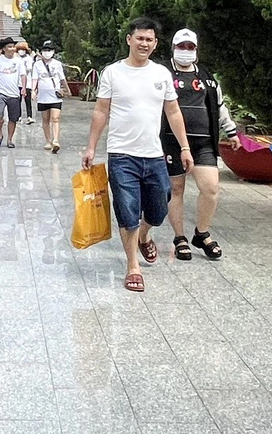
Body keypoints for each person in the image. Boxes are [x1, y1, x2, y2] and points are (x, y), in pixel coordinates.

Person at [82, 17, 193, 292]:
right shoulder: (113, 73)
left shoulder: (161, 74)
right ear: (129, 39)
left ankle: (145, 235)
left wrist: (185, 147)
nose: (144, 43)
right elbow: (101, 111)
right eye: (139, 38)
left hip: (153, 155)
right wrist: (91, 147)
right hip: (121, 155)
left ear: (155, 45)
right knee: (127, 211)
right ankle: (133, 266)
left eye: (149, 39)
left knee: (158, 208)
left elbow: (173, 111)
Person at [161, 28, 234, 260]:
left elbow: (219, 105)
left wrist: (231, 131)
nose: (185, 51)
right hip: (171, 142)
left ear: (196, 50)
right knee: (176, 189)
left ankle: (201, 233)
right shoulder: (162, 73)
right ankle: (179, 237)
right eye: (181, 47)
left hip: (203, 143)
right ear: (173, 48)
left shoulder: (206, 77)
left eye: (190, 47)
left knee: (210, 188)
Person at [0, 36, 24, 148]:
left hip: (14, 92)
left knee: (13, 118)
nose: (12, 49)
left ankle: (10, 139)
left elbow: (23, 75)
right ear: (3, 49)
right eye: (9, 47)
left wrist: (24, 88)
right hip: (0, 91)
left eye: (13, 47)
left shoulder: (18, 61)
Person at [32, 39, 67, 153]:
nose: (47, 52)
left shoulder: (57, 64)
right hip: (43, 96)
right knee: (45, 119)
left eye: (49, 50)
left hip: (55, 95)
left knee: (55, 118)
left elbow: (62, 78)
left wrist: (67, 89)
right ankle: (48, 140)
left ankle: (56, 140)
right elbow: (35, 78)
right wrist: (33, 90)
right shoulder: (37, 65)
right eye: (45, 50)